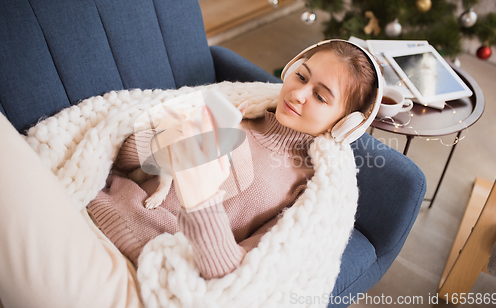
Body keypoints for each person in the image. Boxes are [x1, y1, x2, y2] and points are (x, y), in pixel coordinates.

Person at [86, 39, 381, 280]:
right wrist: (170, 139)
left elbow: (236, 277)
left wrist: (202, 201)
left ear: (344, 124)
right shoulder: (234, 113)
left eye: (320, 96)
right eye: (301, 76)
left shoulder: (304, 190)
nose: (299, 93)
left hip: (147, 270)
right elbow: (121, 161)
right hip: (94, 208)